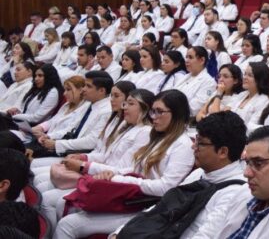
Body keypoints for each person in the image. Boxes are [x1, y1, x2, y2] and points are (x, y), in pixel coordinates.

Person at [54, 90, 195, 238]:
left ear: (177, 114)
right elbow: (136, 169)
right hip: (132, 197)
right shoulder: (159, 137)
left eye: (159, 112)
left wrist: (119, 178)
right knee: (67, 204)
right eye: (152, 111)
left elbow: (166, 188)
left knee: (67, 224)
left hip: (147, 206)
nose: (153, 117)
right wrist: (114, 174)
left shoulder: (182, 145)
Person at [112, 111, 251, 239]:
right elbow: (162, 207)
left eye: (200, 143)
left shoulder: (235, 193)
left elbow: (206, 236)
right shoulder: (199, 173)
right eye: (195, 140)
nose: (193, 147)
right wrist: (120, 231)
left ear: (222, 152)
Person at [30, 71, 113, 161]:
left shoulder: (106, 111)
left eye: (88, 86)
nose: (83, 89)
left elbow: (91, 141)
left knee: (31, 161)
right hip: (67, 148)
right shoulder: (90, 105)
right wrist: (50, 136)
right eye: (84, 85)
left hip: (78, 154)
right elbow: (71, 128)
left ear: (102, 91)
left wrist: (57, 144)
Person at [28, 76, 90, 162]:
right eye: (65, 90)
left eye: (68, 90)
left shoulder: (85, 109)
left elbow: (70, 129)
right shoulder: (67, 105)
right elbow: (52, 121)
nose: (64, 93)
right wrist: (40, 127)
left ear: (80, 90)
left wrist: (49, 136)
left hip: (57, 145)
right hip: (45, 140)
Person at [175, 46, 217, 117]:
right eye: (186, 57)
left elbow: (194, 109)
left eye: (190, 57)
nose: (187, 60)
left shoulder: (209, 82)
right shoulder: (186, 76)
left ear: (202, 60)